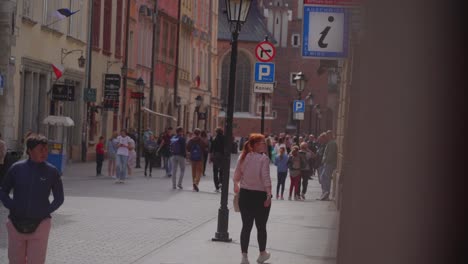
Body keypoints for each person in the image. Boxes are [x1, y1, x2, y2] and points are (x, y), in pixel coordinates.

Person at [0, 134, 64, 264]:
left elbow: (59, 198)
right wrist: (12, 206)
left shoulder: (52, 172)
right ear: (30, 150)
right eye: (41, 149)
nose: (45, 152)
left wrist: (45, 211)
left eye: (46, 149)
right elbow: (3, 191)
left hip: (41, 224)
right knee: (15, 261)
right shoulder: (16, 168)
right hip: (15, 223)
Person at [233, 133, 272, 264]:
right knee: (261, 227)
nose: (265, 145)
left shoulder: (243, 156)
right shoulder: (263, 159)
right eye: (263, 143)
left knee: (246, 226)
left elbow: (237, 175)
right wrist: (268, 194)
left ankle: (244, 257)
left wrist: (236, 185)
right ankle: (262, 254)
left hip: (245, 195)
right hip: (260, 196)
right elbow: (265, 177)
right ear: (255, 145)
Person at [319, 131, 338, 201]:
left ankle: (326, 193)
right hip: (327, 163)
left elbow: (330, 154)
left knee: (325, 178)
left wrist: (325, 161)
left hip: (329, 163)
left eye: (327, 135)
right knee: (323, 177)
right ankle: (325, 193)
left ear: (330, 135)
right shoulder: (330, 142)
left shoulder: (332, 143)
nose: (326, 136)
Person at [209, 127, 224, 192]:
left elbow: (211, 149)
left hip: (216, 156)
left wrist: (210, 158)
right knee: (222, 171)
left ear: (216, 132)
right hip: (223, 156)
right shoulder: (224, 138)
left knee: (215, 171)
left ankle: (217, 186)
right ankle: (221, 182)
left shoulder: (214, 139)